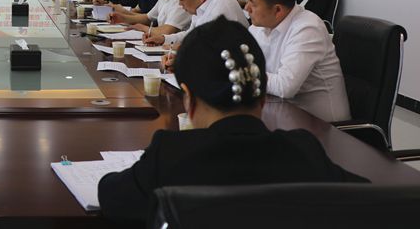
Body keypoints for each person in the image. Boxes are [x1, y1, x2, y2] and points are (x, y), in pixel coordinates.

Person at [97, 17, 367, 225]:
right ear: (262, 96)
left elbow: (111, 196)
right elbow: (370, 200)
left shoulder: (170, 154)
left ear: (188, 100)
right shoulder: (304, 150)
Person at [245, 0, 350, 122]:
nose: (246, 8)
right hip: (283, 114)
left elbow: (284, 86)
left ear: (277, 10)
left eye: (252, 3)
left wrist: (244, 74)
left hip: (325, 127)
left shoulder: (308, 28)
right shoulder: (259, 27)